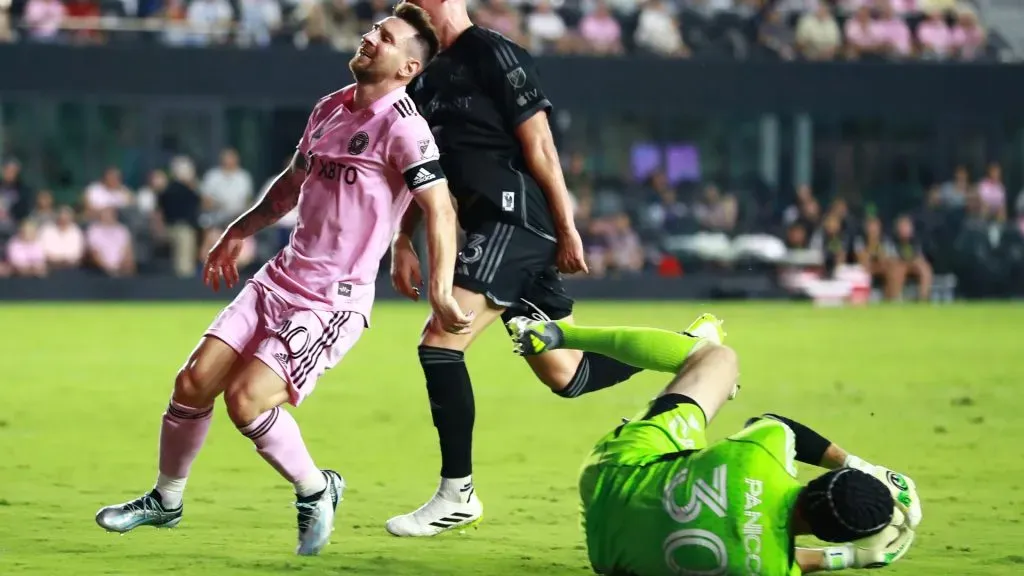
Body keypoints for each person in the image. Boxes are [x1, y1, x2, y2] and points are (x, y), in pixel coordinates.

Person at [94, 4, 469, 556]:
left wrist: (439, 287)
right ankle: (165, 502)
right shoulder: (328, 108)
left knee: (246, 401)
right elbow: (291, 184)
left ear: (406, 68)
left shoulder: (404, 128)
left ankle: (317, 490)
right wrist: (236, 231)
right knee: (192, 383)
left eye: (384, 38)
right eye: (372, 30)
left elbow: (439, 207)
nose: (368, 38)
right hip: (278, 280)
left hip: (329, 303)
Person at [386, 0, 677, 536]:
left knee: (440, 342)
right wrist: (402, 239)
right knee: (565, 373)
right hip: (491, 228)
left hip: (513, 218)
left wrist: (568, 227)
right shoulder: (421, 76)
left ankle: (458, 494)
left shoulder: (495, 52)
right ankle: (687, 351)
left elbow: (540, 144)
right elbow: (425, 170)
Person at [505, 314, 923, 575]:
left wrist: (861, 466)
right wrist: (851, 559)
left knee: (718, 359)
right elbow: (792, 561)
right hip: (607, 555)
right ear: (831, 538)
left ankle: (564, 334)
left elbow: (774, 423)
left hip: (612, 470)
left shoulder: (766, 455)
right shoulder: (771, 567)